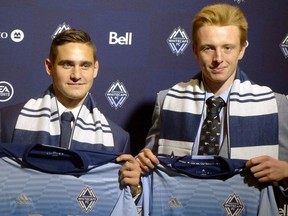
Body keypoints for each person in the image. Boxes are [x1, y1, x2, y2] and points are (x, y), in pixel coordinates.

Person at [126, 3, 288, 188]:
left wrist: (286, 171)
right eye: (208, 48)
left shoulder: (276, 104)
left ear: (242, 50)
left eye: (228, 48)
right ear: (195, 50)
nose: (218, 58)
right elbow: (148, 171)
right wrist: (139, 169)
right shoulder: (168, 101)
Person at [0, 29, 141, 193]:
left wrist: (134, 188)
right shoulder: (8, 121)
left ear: (95, 69)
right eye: (67, 64)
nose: (76, 75)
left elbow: (117, 203)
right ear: (49, 67)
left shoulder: (118, 139)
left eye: (85, 65)